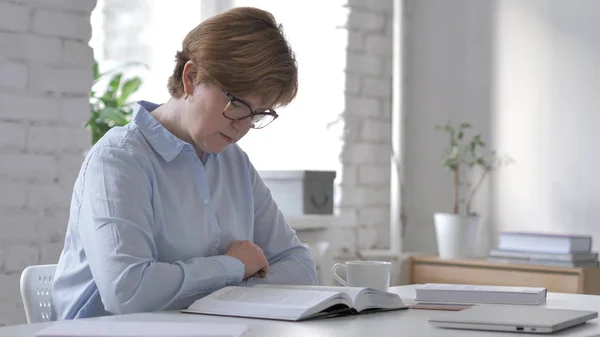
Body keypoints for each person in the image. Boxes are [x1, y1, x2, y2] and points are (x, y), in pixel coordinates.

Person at [51, 6, 318, 320]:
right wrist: (235, 267)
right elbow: (128, 292)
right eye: (238, 104)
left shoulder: (233, 163)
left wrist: (228, 291)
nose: (242, 125)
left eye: (259, 114)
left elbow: (299, 265)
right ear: (191, 78)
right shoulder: (118, 159)